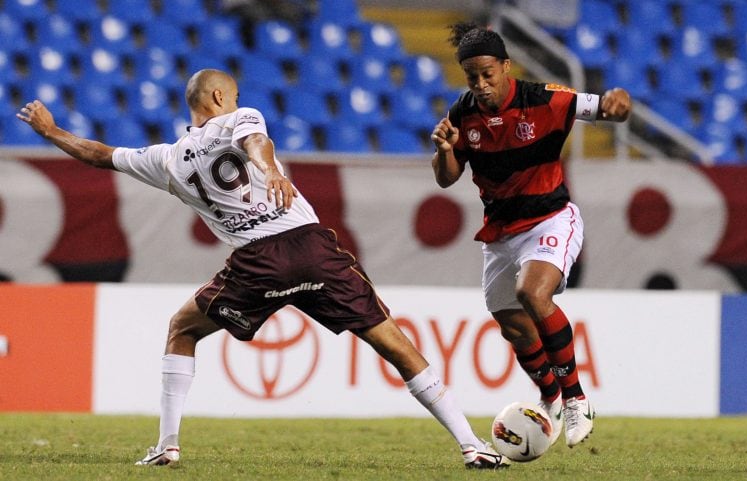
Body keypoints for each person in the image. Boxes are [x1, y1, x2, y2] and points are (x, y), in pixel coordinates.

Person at [16, 69, 509, 469]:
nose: (237, 101)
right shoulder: (243, 116)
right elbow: (257, 143)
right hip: (311, 248)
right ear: (218, 96)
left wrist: (51, 131)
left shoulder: (167, 160)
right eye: (232, 96)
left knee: (181, 328)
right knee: (394, 343)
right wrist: (271, 169)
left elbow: (101, 156)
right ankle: (471, 445)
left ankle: (168, 444)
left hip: (256, 266)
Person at [430, 23, 632, 448]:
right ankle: (550, 399)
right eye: (473, 78)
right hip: (501, 233)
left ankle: (577, 398)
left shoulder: (547, 99)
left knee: (533, 294)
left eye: (488, 73)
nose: (481, 85)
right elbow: (447, 180)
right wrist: (445, 150)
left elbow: (609, 110)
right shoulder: (462, 114)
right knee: (513, 326)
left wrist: (618, 105)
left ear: (505, 66)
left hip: (551, 218)